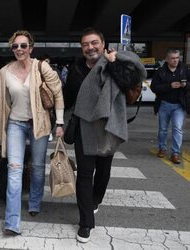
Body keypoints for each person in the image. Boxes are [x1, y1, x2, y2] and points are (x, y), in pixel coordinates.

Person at [63, 27, 146, 243]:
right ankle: (86, 223)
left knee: (103, 172)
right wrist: (60, 121)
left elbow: (135, 72)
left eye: (94, 43)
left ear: (102, 44)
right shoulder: (76, 69)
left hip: (109, 126)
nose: (90, 48)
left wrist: (113, 60)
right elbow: (68, 96)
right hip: (84, 127)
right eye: (85, 44)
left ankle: (95, 199)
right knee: (84, 174)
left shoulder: (114, 63)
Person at [0, 30, 64, 236]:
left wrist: (59, 122)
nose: (19, 50)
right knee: (14, 170)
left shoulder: (41, 67)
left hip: (39, 123)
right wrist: (0, 130)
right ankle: (12, 222)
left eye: (23, 46)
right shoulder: (4, 72)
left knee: (36, 166)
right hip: (15, 124)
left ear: (31, 48)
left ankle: (34, 202)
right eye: (15, 46)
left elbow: (58, 93)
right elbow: (1, 103)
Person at [151, 48, 190, 164]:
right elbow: (154, 87)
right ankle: (162, 148)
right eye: (172, 58)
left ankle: (175, 153)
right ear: (167, 59)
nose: (175, 60)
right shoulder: (160, 71)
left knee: (177, 129)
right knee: (163, 129)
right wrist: (170, 86)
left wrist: (185, 84)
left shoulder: (184, 70)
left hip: (179, 105)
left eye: (177, 57)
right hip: (164, 104)